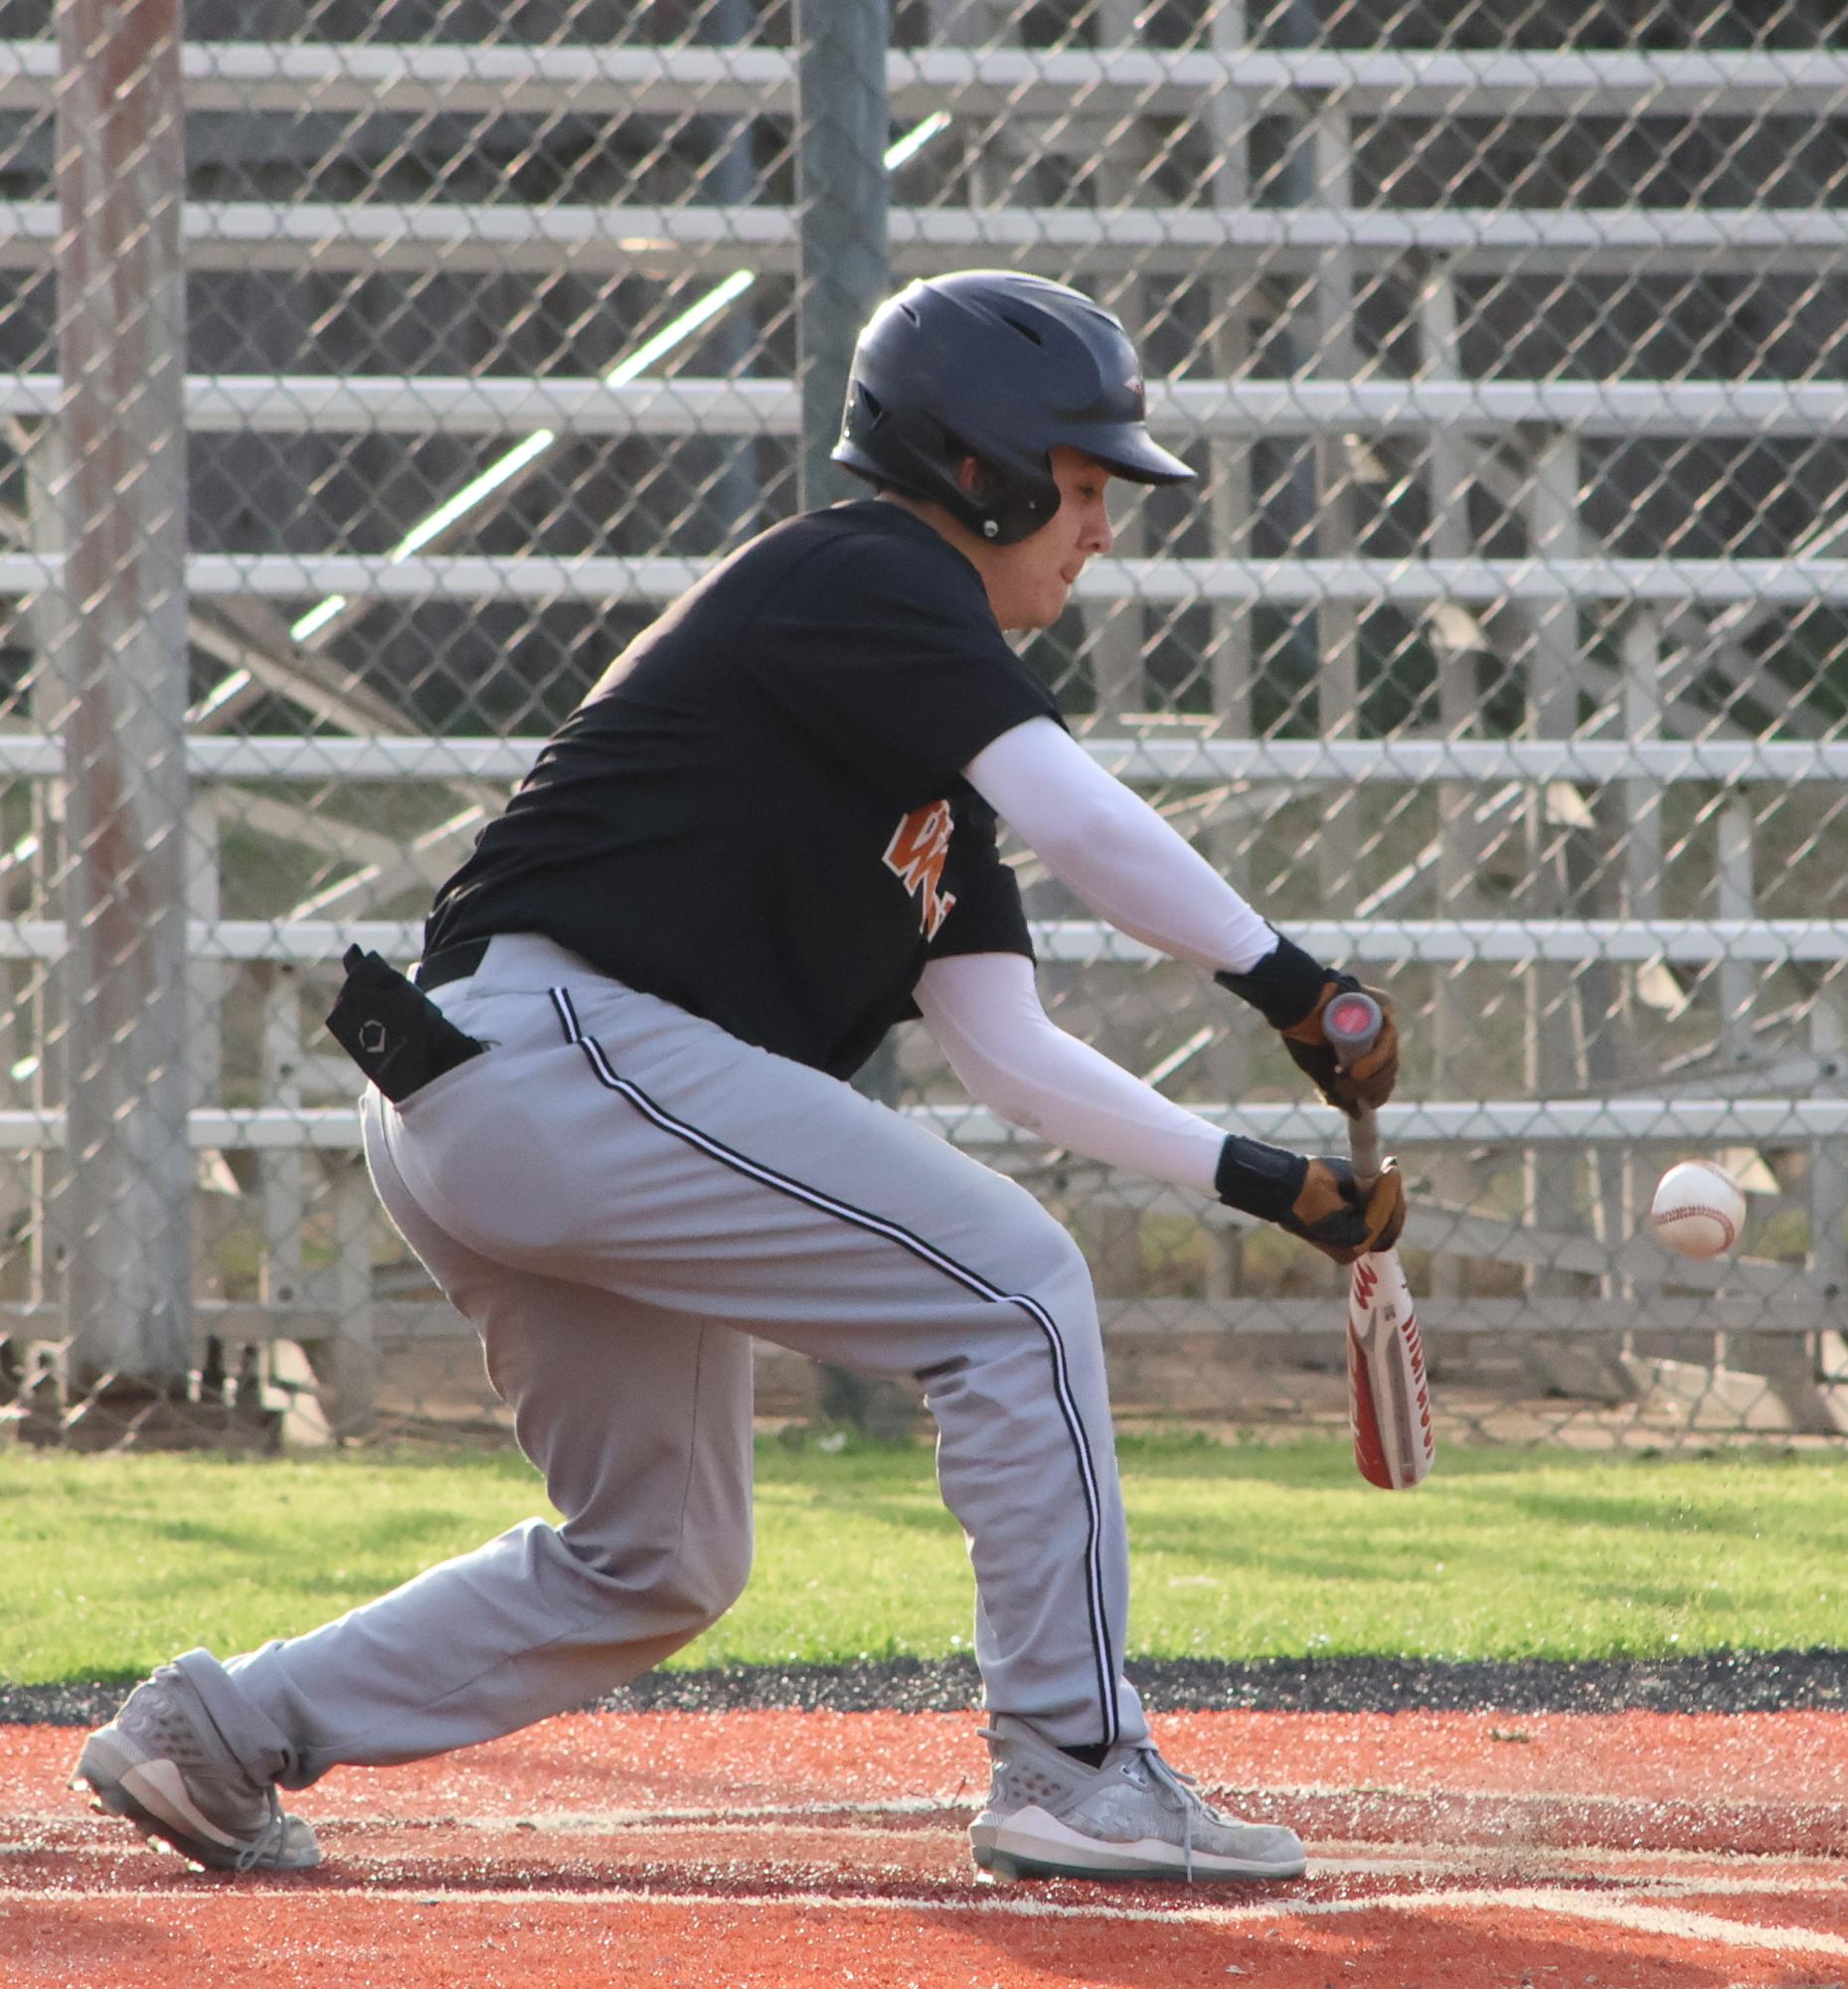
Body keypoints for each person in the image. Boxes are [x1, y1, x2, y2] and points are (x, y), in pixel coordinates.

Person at [72, 269, 1404, 1884]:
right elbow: (1087, 816)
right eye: (1079, 484)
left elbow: (1008, 1050)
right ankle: (1077, 1762)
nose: (1103, 528)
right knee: (1019, 1294)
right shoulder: (872, 569)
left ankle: (220, 1730)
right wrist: (1295, 984)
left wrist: (1259, 1179)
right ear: (975, 468)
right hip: (564, 1057)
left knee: (660, 1556)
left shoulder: (920, 747)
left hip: (515, 1099)